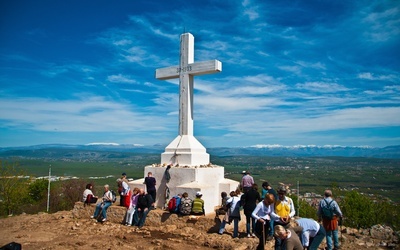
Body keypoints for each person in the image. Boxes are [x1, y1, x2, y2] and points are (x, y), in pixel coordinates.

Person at [271, 185, 296, 249]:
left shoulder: (289, 200)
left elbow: (293, 211)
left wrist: (289, 216)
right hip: (278, 223)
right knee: (278, 241)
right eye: (279, 193)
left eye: (282, 194)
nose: (281, 195)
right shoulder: (274, 201)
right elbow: (271, 212)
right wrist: (279, 217)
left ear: (285, 193)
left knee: (286, 241)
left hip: (286, 224)